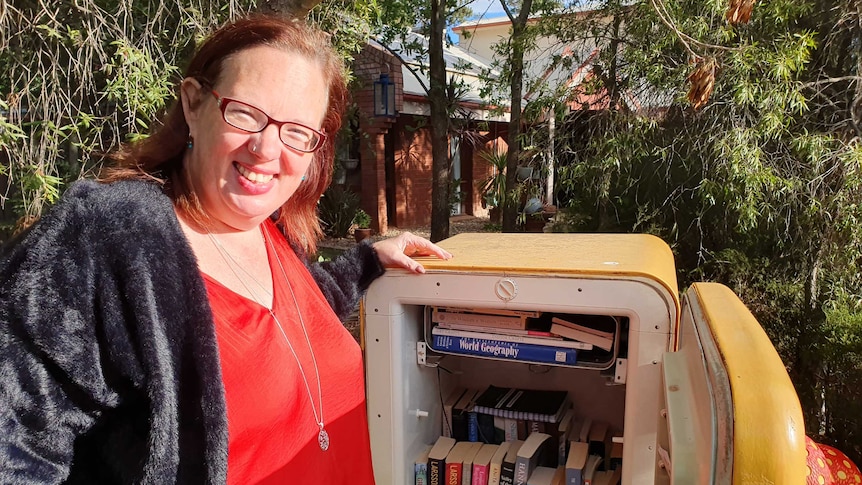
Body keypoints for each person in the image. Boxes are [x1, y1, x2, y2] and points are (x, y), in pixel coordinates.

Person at [0, 15, 451, 484]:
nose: (266, 148)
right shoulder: (107, 236)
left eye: (297, 131)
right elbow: (17, 439)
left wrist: (370, 259)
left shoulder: (270, 228)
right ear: (194, 104)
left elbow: (289, 322)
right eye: (245, 113)